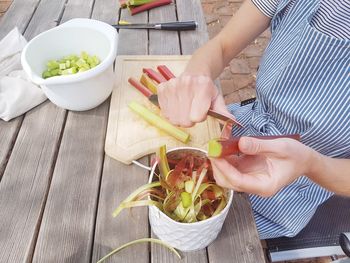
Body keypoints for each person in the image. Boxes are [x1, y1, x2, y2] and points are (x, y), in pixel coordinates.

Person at [157, 0, 350, 239]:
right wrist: (196, 77)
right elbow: (222, 46)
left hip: (291, 187)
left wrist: (311, 164)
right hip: (239, 128)